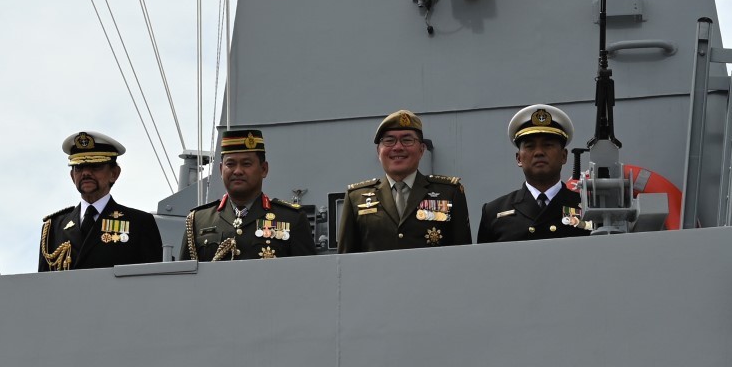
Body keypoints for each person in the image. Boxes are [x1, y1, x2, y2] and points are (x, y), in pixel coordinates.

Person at [336, 110, 472, 252]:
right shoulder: (356, 198)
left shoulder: (449, 193)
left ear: (421, 150)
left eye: (407, 140)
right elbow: (345, 260)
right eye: (389, 140)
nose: (398, 147)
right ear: (378, 152)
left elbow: (462, 256)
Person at [179, 129, 317, 261]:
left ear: (263, 169)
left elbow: (308, 276)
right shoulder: (198, 221)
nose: (238, 171)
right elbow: (184, 279)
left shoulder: (292, 219)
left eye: (246, 164)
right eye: (230, 164)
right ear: (221, 170)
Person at [38, 131, 163, 270]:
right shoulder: (54, 228)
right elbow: (43, 286)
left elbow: (153, 284)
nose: (86, 173)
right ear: (72, 176)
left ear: (114, 174)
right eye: (79, 167)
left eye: (95, 166)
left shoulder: (139, 224)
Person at [478, 104, 594, 242]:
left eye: (548, 145)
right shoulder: (493, 212)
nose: (539, 152)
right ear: (519, 158)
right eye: (530, 146)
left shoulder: (589, 208)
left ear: (564, 156)